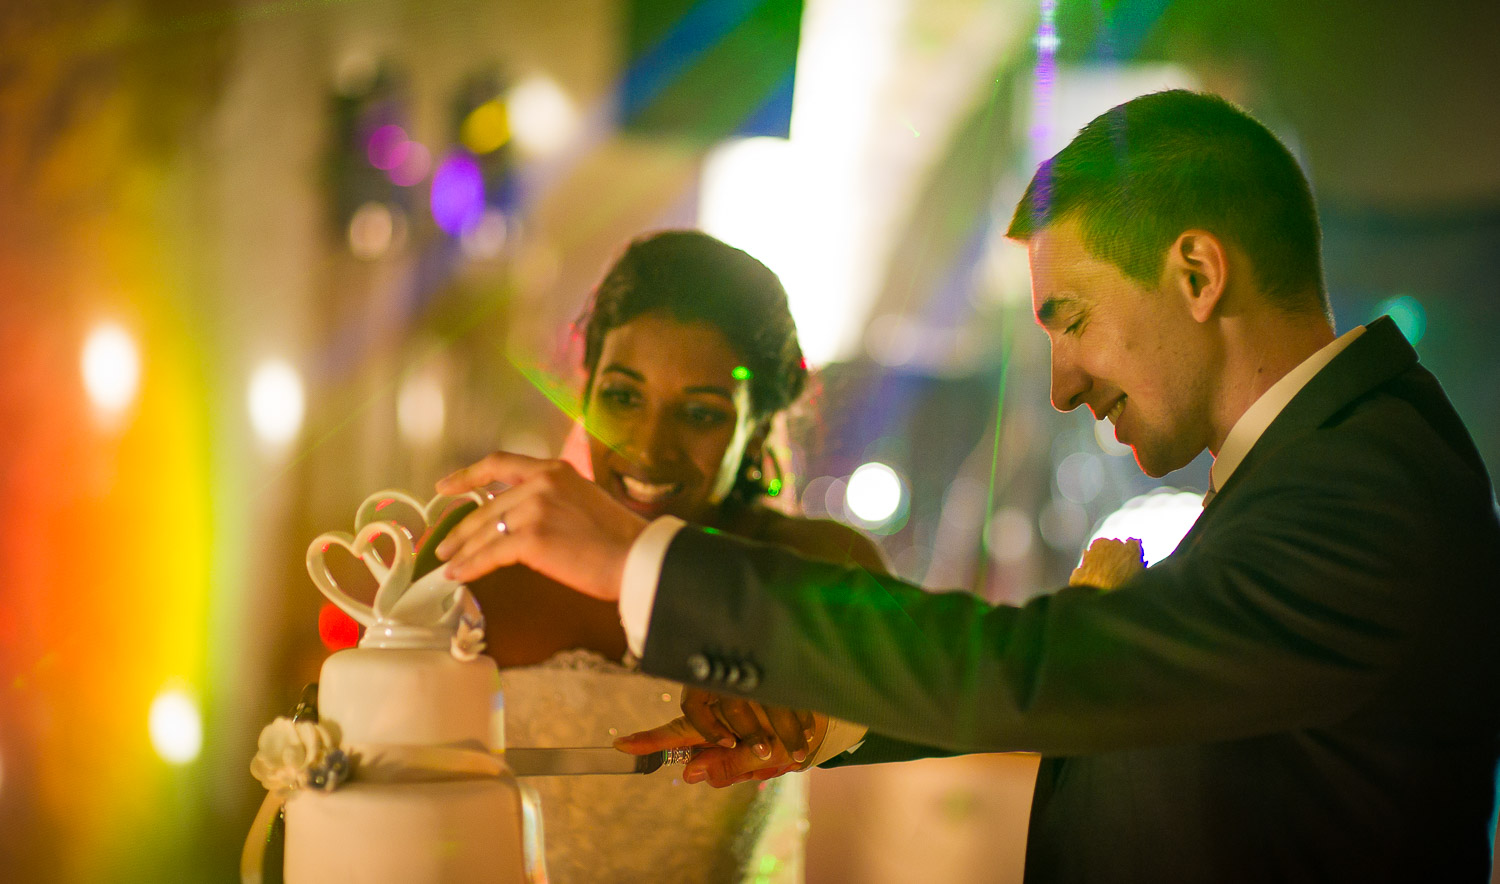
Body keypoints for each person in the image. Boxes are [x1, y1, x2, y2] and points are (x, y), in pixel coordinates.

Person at [434, 90, 1500, 881]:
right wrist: (829, 721)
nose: (1062, 379)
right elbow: (1136, 727)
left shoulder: (1364, 490)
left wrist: (638, 561)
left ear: (1197, 272)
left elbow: (1043, 672)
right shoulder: (1330, 459)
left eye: (1070, 319)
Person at [465, 229, 885, 884]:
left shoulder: (823, 569)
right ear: (586, 387)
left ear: (759, 420)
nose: (648, 447)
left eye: (699, 412)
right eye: (623, 397)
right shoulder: (489, 560)